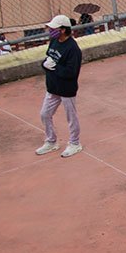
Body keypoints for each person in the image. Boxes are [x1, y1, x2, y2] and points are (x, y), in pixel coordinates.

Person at [34, 14, 83, 158]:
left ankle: (75, 143)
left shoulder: (73, 49)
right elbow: (48, 57)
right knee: (45, 114)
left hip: (66, 89)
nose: (51, 31)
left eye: (54, 28)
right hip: (53, 87)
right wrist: (45, 64)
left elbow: (71, 72)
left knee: (71, 117)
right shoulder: (54, 41)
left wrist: (54, 67)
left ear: (63, 29)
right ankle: (51, 141)